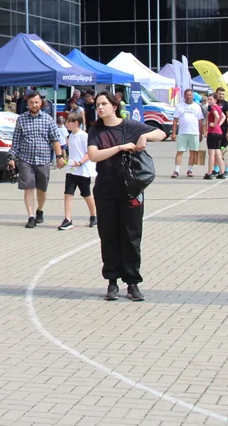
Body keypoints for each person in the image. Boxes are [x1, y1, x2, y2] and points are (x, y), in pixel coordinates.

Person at [87, 91, 166, 301]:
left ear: (115, 106)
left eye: (104, 103)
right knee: (108, 234)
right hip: (105, 188)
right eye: (97, 105)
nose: (100, 108)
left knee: (131, 236)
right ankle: (112, 281)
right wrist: (120, 147)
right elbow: (94, 155)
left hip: (131, 189)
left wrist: (144, 136)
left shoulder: (129, 126)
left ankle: (132, 283)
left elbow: (162, 134)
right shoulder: (96, 131)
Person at [8, 91, 66, 228]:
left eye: (36, 102)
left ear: (41, 103)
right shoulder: (21, 119)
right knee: (28, 187)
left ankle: (40, 210)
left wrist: (59, 157)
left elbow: (55, 140)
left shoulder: (48, 119)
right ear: (27, 104)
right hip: (25, 159)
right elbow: (16, 141)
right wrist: (11, 157)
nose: (34, 105)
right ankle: (31, 216)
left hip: (43, 159)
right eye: (31, 103)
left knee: (42, 189)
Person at [59, 112, 97, 230]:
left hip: (82, 171)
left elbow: (88, 153)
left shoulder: (84, 136)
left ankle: (94, 215)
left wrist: (80, 162)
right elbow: (72, 154)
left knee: (86, 194)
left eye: (68, 122)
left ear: (76, 123)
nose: (66, 124)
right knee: (68, 193)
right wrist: (64, 162)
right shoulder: (71, 136)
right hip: (71, 170)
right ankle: (68, 219)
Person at [171, 89, 204, 178]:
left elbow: (200, 121)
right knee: (180, 151)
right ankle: (176, 170)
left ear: (193, 96)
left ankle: (190, 170)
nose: (189, 96)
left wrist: (201, 133)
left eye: (190, 95)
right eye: (187, 95)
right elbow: (175, 121)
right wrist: (173, 133)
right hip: (182, 132)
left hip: (194, 132)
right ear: (184, 96)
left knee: (193, 152)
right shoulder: (180, 106)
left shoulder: (197, 106)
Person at [204, 94, 226, 180]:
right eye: (208, 100)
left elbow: (217, 116)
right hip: (219, 132)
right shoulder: (219, 107)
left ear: (215, 100)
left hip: (213, 132)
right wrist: (219, 124)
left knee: (211, 154)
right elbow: (223, 116)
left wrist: (214, 124)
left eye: (211, 100)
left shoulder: (213, 108)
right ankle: (222, 171)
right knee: (218, 153)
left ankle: (210, 172)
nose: (209, 101)